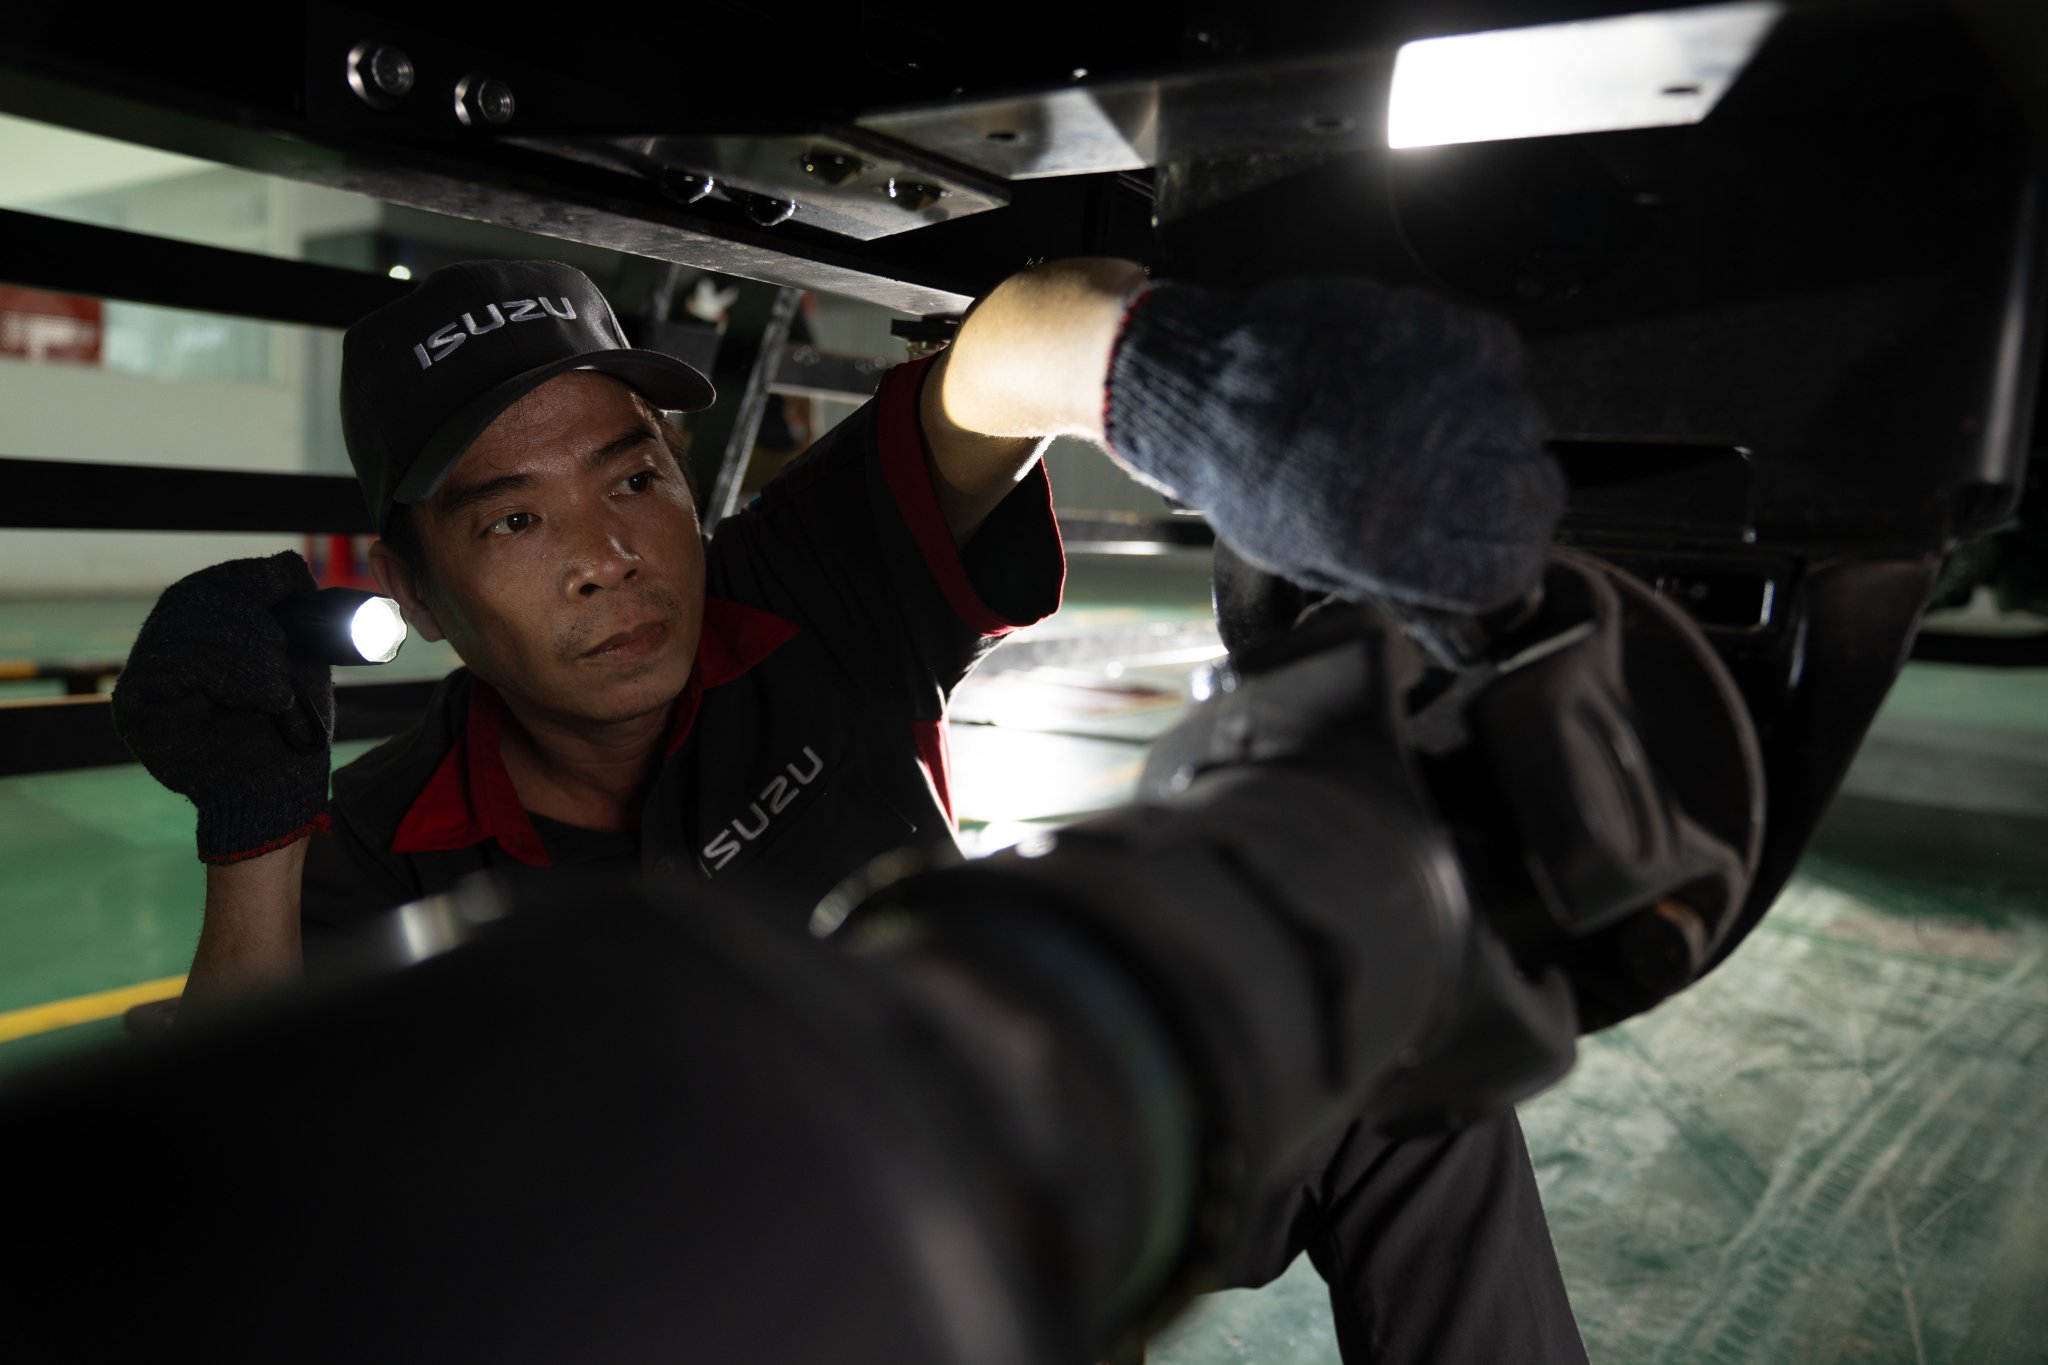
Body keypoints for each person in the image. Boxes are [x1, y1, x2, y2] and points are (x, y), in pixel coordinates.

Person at [111, 255, 1585, 1363]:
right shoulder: (382, 844)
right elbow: (233, 1233)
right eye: (515, 516)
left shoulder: (799, 593)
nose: (608, 555)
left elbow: (997, 359)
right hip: (737, 1309)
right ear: (417, 591)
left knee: (1397, 1022)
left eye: (633, 476)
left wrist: (1190, 380)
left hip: (1009, 1168)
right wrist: (251, 838)